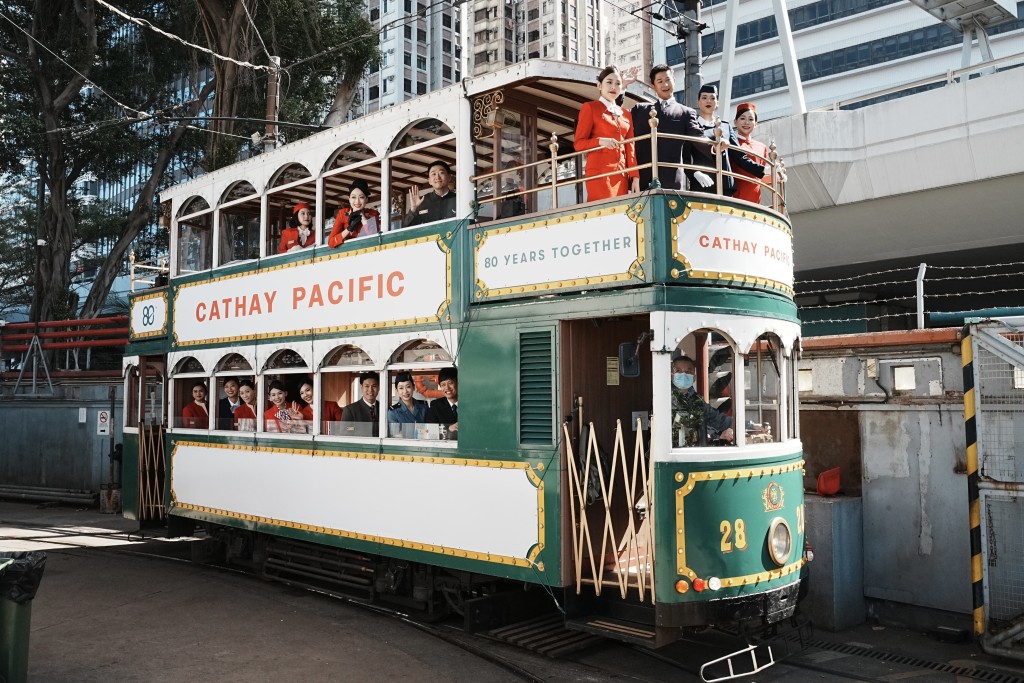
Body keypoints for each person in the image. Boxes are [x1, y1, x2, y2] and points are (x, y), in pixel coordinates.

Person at [630, 65, 703, 191]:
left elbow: (698, 137)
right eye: (660, 81)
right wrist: (623, 86)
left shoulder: (686, 112)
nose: (665, 84)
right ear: (653, 86)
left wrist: (715, 147)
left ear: (674, 80)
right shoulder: (640, 110)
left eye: (668, 79)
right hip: (640, 181)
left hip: (671, 181)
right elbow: (619, 116)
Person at [683, 85, 764, 196]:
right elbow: (685, 157)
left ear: (717, 103)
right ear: (698, 102)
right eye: (704, 97)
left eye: (712, 98)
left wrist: (763, 170)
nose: (708, 101)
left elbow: (739, 157)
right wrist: (694, 173)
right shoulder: (692, 127)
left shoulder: (726, 127)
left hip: (725, 186)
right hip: (702, 185)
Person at [574, 65, 640, 201]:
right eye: (609, 82)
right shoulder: (590, 108)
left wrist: (635, 176)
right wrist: (600, 141)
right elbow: (579, 144)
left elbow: (630, 147)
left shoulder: (626, 114)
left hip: (621, 175)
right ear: (599, 85)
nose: (613, 87)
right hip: (599, 175)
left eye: (618, 84)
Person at [671, 354, 735, 445]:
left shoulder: (696, 400)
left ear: (694, 376)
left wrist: (742, 425)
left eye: (688, 371)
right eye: (678, 371)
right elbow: (685, 427)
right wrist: (717, 435)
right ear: (671, 375)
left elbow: (717, 419)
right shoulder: (666, 399)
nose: (683, 374)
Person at [732, 102, 771, 204]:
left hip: (755, 199)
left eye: (751, 119)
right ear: (735, 122)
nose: (746, 122)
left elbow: (760, 176)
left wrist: (776, 175)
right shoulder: (731, 143)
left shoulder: (762, 147)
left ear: (756, 124)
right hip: (734, 198)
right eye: (742, 118)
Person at [328, 179, 381, 247]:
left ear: (366, 199)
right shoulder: (342, 214)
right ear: (349, 199)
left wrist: (363, 218)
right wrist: (349, 229)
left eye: (361, 197)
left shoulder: (373, 214)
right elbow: (331, 242)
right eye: (353, 197)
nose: (357, 201)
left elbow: (374, 239)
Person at [406, 161, 456, 226]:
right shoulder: (422, 202)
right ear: (429, 181)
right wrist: (413, 209)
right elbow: (407, 228)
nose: (437, 177)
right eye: (433, 174)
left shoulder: (458, 199)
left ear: (449, 178)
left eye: (441, 173)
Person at [387, 371, 428, 437]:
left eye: (408, 387)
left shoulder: (423, 407)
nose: (405, 391)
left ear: (413, 387)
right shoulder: (393, 412)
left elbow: (429, 430)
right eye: (401, 388)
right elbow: (396, 436)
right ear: (397, 390)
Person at [341, 371, 381, 437]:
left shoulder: (384, 408)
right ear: (361, 387)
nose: (370, 390)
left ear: (379, 388)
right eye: (367, 386)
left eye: (374, 386)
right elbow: (346, 432)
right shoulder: (350, 410)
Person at [426, 366, 459, 440]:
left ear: (458, 383)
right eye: (443, 385)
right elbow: (429, 431)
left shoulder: (469, 403)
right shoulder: (435, 405)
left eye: (450, 383)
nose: (447, 388)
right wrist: (448, 429)